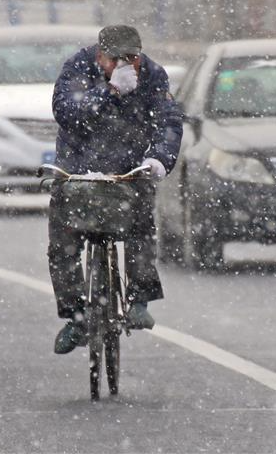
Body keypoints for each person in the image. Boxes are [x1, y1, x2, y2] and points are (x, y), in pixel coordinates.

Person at [48, 25, 183, 354]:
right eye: (114, 59)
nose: (124, 65)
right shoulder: (77, 67)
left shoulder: (152, 75)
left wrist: (159, 159)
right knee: (61, 241)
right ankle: (76, 317)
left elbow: (168, 120)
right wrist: (108, 92)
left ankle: (139, 299)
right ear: (99, 55)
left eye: (131, 58)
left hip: (128, 169)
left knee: (140, 225)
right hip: (79, 168)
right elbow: (66, 113)